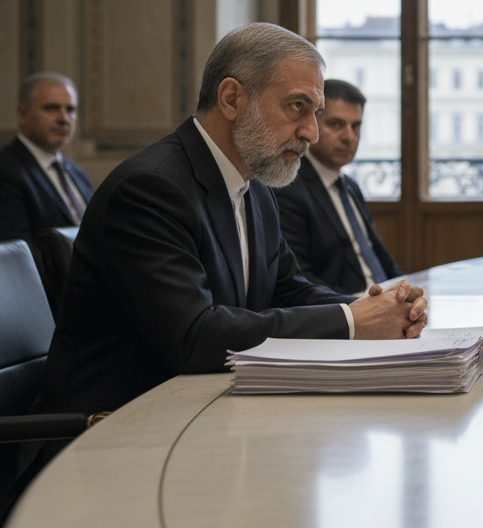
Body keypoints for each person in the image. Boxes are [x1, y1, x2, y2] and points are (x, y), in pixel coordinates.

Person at [35, 23, 428, 422]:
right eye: (297, 106)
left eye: (316, 113)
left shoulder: (255, 188)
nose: (311, 133)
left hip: (200, 411)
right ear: (231, 99)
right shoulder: (150, 189)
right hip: (108, 430)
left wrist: (377, 309)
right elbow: (194, 336)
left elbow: (289, 291)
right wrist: (352, 321)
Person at [276, 79, 404, 294]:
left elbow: (383, 262)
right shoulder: (288, 188)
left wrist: (407, 292)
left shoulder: (350, 187)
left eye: (356, 126)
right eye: (335, 124)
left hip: (381, 301)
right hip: (343, 307)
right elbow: (299, 278)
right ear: (311, 125)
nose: (349, 137)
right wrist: (363, 307)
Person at [0, 73, 94, 244]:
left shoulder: (76, 171)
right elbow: (18, 251)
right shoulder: (6, 170)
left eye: (70, 110)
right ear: (23, 114)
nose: (64, 119)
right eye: (51, 108)